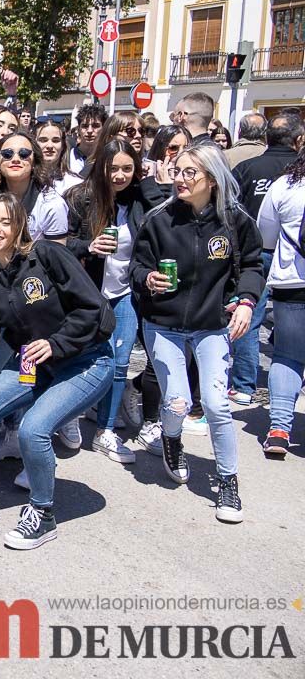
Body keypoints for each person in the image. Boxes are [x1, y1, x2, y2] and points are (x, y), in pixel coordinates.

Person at [0, 193, 114, 549]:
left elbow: (94, 309)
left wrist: (57, 343)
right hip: (35, 363)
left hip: (87, 359)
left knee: (34, 429)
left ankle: (43, 514)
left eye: (4, 221)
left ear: (19, 227)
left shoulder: (47, 254)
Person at [130, 143, 263, 524]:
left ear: (213, 178)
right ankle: (171, 439)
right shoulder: (159, 218)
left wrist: (247, 302)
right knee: (176, 403)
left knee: (218, 405)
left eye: (190, 172)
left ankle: (227, 481)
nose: (180, 179)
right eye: (177, 170)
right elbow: (137, 268)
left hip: (211, 326)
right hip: (163, 325)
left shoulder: (235, 221)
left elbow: (252, 265)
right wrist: (148, 279)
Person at [65, 139, 163, 462]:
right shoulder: (82, 198)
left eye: (127, 168)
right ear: (102, 167)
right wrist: (87, 247)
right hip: (89, 293)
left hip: (125, 292)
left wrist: (148, 182)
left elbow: (162, 214)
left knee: (120, 360)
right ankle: (68, 416)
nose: (119, 175)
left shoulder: (137, 201)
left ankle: (105, 432)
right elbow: (63, 244)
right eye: (113, 168)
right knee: (82, 356)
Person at [229, 113, 304, 405]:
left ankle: (244, 385)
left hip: (256, 250)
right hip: (291, 259)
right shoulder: (296, 172)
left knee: (251, 314)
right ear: (298, 140)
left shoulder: (248, 167)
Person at [256, 141, 305, 455]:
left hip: (292, 282)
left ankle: (278, 430)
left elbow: (266, 235)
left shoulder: (286, 185)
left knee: (288, 355)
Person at [0, 132, 69, 243]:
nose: (16, 159)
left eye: (24, 154)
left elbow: (55, 256)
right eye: (7, 154)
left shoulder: (52, 205)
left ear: (34, 162)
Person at [34, 119, 81, 196]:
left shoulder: (75, 185)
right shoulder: (24, 182)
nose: (49, 146)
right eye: (43, 140)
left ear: (63, 146)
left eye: (55, 141)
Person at [67, 102, 106, 176]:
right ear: (78, 129)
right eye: (85, 126)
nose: (90, 131)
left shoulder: (109, 157)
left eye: (95, 126)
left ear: (104, 129)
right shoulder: (66, 157)